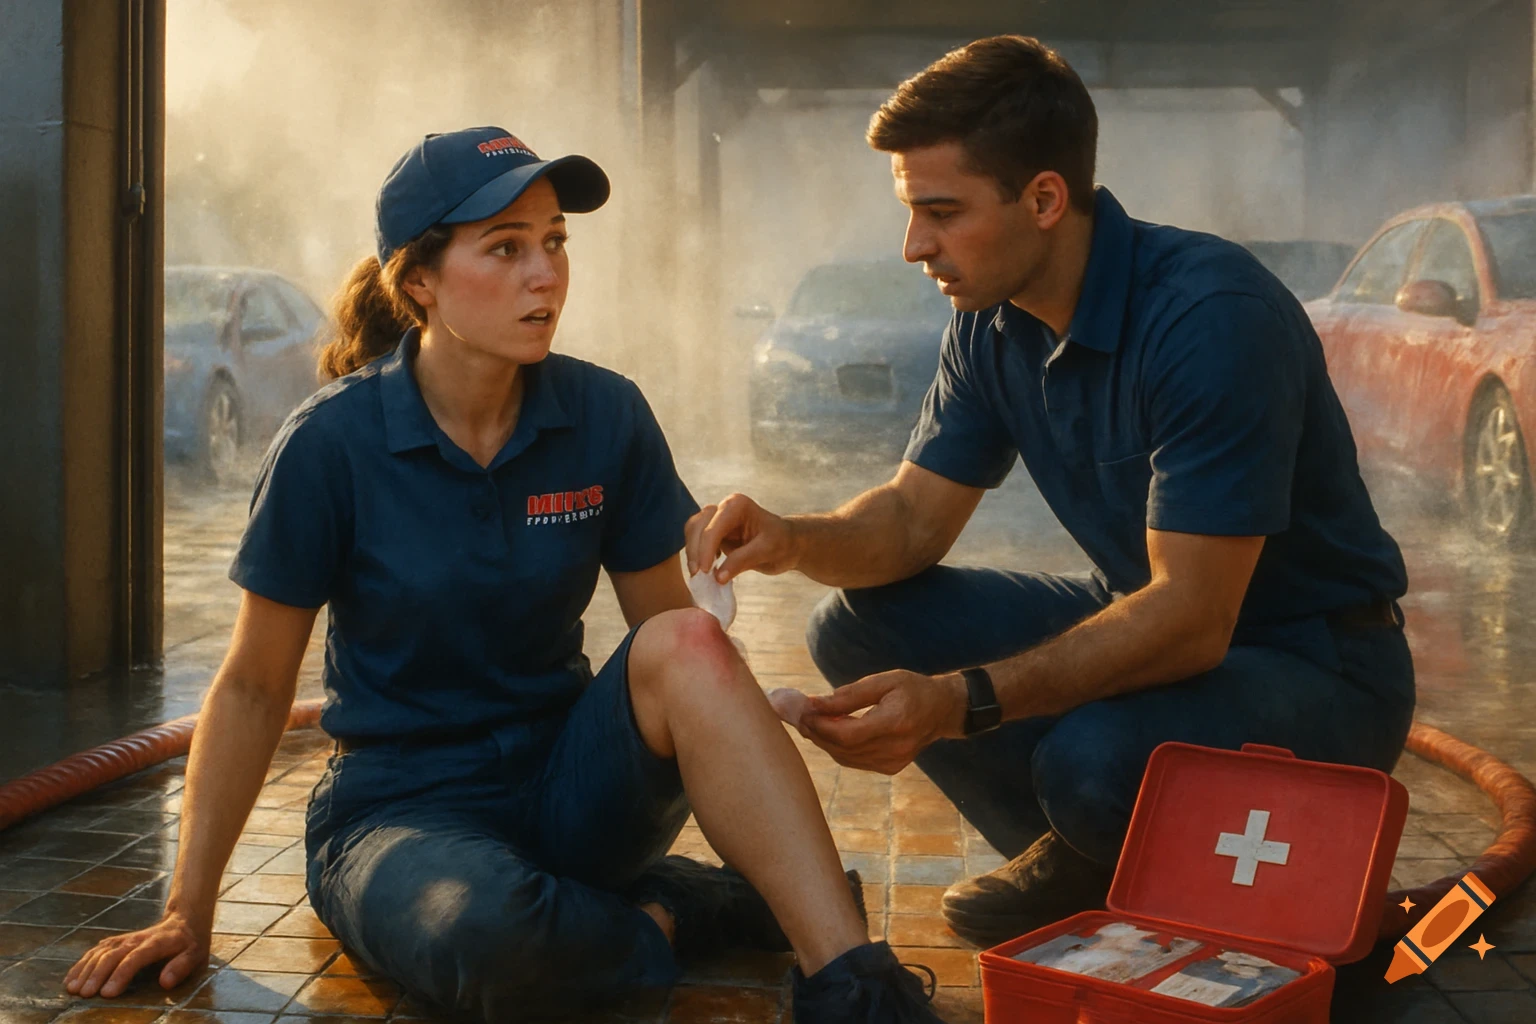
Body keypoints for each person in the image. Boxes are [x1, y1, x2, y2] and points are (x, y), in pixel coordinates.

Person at [62, 127, 945, 1024]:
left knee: (686, 640)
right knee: (488, 940)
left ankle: (855, 984)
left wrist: (763, 713)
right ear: (420, 282)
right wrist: (188, 909)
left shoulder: (605, 414)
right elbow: (253, 686)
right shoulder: (332, 445)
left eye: (556, 242)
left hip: (572, 788)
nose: (547, 274)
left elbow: (680, 645)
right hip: (402, 815)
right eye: (507, 248)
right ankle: (677, 909)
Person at [687, 37, 1416, 949]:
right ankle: (1083, 858)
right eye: (913, 212)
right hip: (1169, 631)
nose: (917, 246)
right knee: (855, 624)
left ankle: (1178, 863)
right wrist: (789, 537)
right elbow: (912, 521)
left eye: (942, 212)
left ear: (1043, 199)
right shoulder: (993, 321)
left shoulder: (1209, 319)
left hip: (1318, 666)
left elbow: (1193, 618)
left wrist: (957, 701)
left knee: (1094, 762)